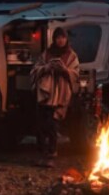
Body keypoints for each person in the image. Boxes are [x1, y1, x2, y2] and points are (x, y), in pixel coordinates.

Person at [30, 27, 80, 167]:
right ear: (54, 39)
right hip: (45, 94)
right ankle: (41, 153)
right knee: (41, 124)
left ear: (66, 39)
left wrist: (64, 70)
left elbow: (75, 73)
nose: (60, 40)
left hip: (61, 95)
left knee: (52, 124)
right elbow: (35, 69)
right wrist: (47, 68)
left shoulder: (71, 56)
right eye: (58, 37)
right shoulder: (47, 54)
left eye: (63, 37)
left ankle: (52, 154)